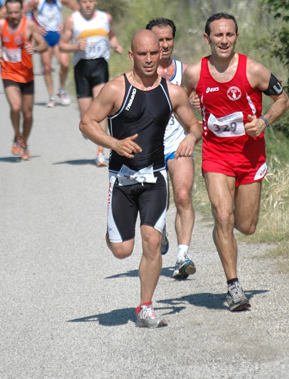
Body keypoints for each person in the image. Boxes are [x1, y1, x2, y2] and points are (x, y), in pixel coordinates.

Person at [79, 30, 202, 328]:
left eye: (153, 53)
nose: (148, 59)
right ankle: (114, 230)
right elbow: (86, 122)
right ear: (131, 55)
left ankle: (145, 307)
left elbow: (194, 124)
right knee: (122, 251)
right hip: (121, 178)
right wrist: (114, 143)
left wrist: (190, 138)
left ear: (160, 54)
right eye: (142, 54)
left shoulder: (172, 92)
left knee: (151, 242)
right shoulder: (115, 89)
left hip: (155, 178)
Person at [182, 12, 289, 312]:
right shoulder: (194, 73)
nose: (224, 40)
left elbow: (283, 99)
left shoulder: (253, 70)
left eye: (229, 35)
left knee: (247, 225)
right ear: (207, 38)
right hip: (216, 156)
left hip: (249, 156)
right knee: (223, 216)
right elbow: (179, 100)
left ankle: (225, 236)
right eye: (218, 35)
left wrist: (264, 121)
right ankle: (234, 287)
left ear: (236, 37)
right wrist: (192, 115)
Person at [146, 18, 197, 279]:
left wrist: (198, 102)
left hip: (178, 143)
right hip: (149, 148)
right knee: (159, 204)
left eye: (168, 39)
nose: (164, 45)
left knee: (183, 194)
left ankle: (182, 256)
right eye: (159, 40)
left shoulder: (186, 72)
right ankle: (162, 227)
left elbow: (202, 103)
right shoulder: (140, 73)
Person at [59, 0, 123, 166]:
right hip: (82, 68)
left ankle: (101, 151)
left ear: (95, 1)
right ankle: (89, 131)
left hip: (100, 65)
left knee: (100, 111)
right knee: (86, 114)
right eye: (84, 2)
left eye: (90, 1)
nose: (87, 5)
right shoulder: (73, 20)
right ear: (79, 2)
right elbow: (62, 45)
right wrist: (74, 47)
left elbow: (111, 35)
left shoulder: (105, 18)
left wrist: (116, 45)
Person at [0, 0, 48, 161]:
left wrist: (34, 48)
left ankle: (24, 143)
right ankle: (17, 135)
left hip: (27, 74)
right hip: (8, 72)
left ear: (22, 11)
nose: (13, 15)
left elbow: (43, 45)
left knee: (27, 114)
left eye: (17, 12)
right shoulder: (1, 25)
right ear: (6, 12)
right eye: (10, 12)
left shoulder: (29, 24)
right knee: (16, 107)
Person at [30, 0, 78, 107]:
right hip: (44, 36)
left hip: (58, 35)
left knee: (65, 64)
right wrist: (35, 26)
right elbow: (24, 12)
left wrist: (66, 23)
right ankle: (51, 97)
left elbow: (76, 8)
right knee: (46, 68)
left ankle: (61, 89)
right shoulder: (37, 0)